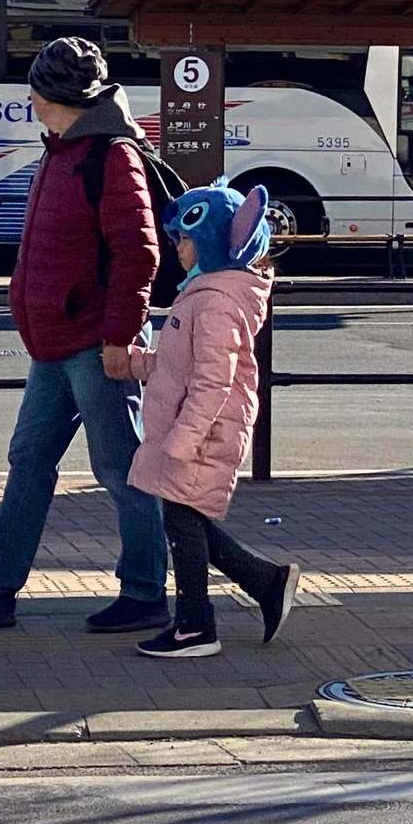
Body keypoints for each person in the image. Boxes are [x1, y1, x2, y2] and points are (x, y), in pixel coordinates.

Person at [0, 36, 169, 631]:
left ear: (49, 93)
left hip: (94, 343)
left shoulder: (111, 156)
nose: (28, 95)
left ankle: (145, 593)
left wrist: (120, 337)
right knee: (29, 458)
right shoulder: (63, 151)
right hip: (57, 343)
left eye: (33, 85)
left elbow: (138, 254)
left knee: (120, 468)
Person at [125, 180, 298, 660]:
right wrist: (139, 363)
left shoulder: (217, 301)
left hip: (204, 432)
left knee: (182, 519)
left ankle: (197, 626)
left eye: (184, 237)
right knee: (184, 518)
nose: (176, 246)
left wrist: (183, 440)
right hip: (196, 429)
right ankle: (265, 584)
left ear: (213, 242)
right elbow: (180, 363)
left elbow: (212, 382)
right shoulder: (202, 293)